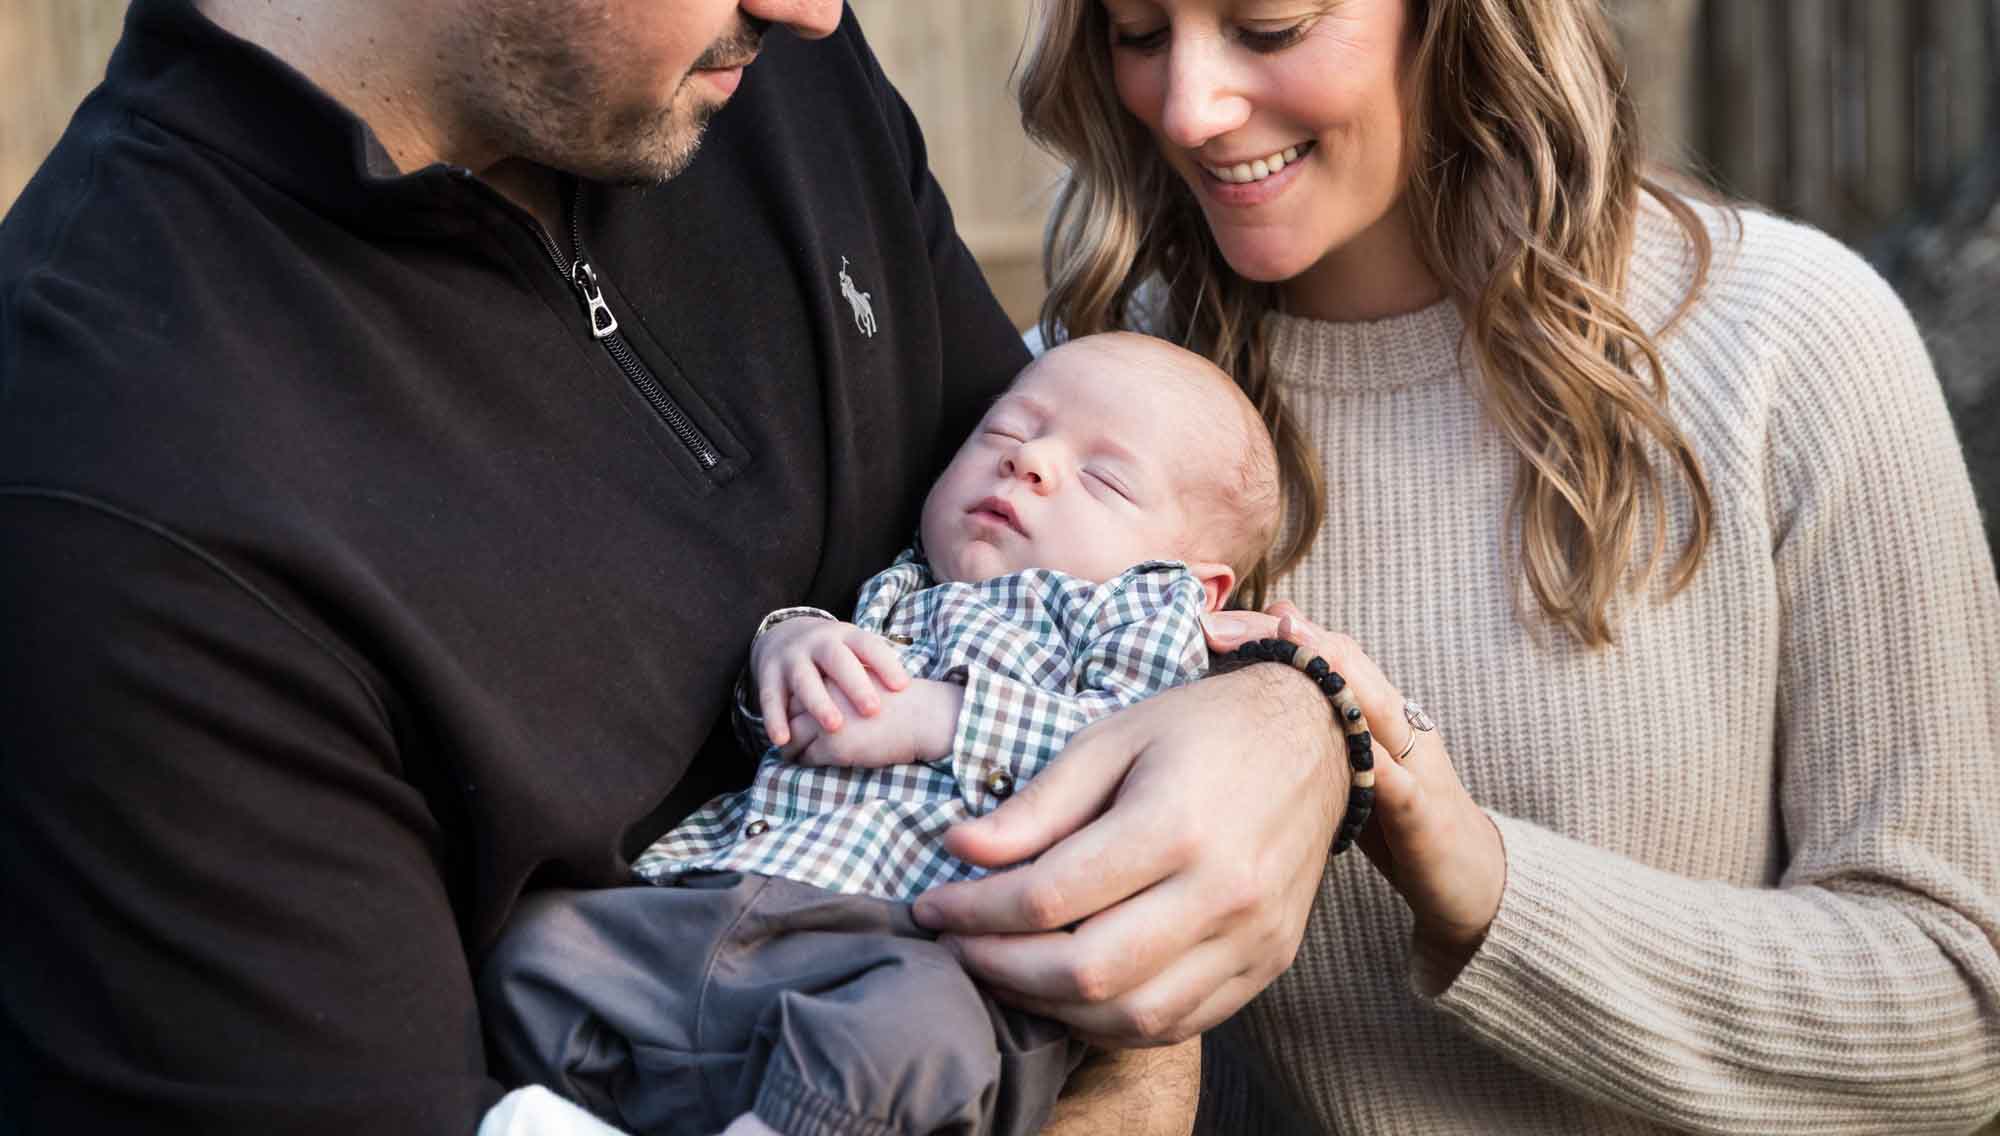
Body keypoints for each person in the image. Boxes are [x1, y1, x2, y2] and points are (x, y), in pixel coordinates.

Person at [0, 1, 1351, 1132]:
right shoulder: (115, 500)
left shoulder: (749, 70)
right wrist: (1134, 1052)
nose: (817, 8)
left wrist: (1295, 723)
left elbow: (1121, 568)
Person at [1008, 0, 2000, 1132]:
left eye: (1270, 27)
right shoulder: (1064, 423)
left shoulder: (1790, 344)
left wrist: (1481, 883)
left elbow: (1958, 1001)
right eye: (1138, 35)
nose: (1188, 107)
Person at [479, 332, 1283, 1136]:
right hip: (719, 898)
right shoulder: (900, 582)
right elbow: (777, 727)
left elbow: (1128, 757)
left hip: (920, 950)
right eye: (1006, 430)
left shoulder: (1138, 620)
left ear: (1197, 586)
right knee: (535, 952)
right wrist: (789, 644)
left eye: (1104, 478)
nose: (1029, 460)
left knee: (911, 1046)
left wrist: (941, 716)